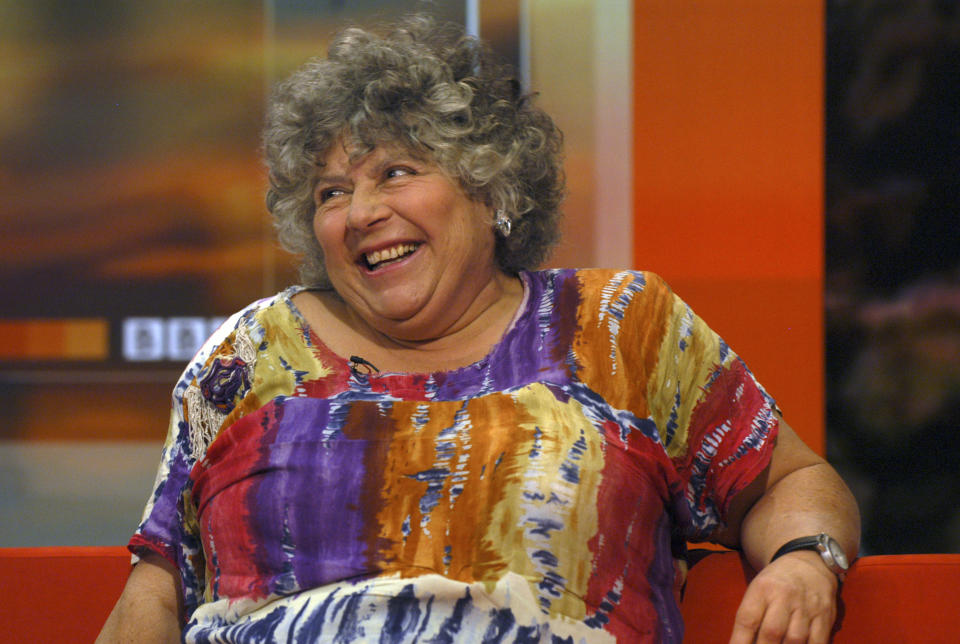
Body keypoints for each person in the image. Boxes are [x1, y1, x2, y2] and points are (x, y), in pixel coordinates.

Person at [97, 15, 859, 644]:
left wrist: (804, 560)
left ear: (489, 185)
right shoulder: (247, 354)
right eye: (332, 191)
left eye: (395, 173)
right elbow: (159, 587)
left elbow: (790, 480)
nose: (361, 213)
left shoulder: (622, 326)